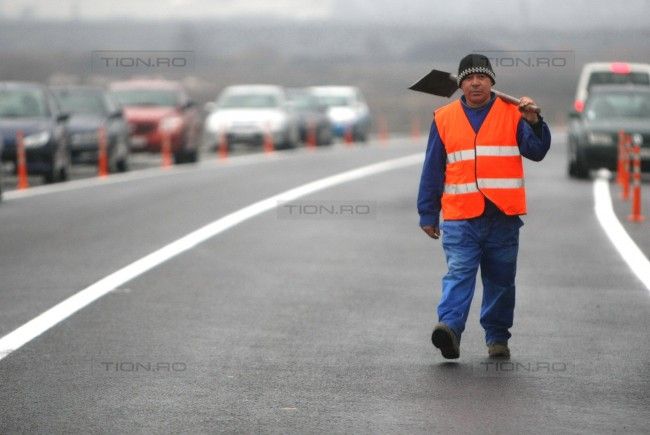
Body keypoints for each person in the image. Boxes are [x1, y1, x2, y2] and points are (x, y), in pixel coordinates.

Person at [417, 54, 551, 360]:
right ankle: (449, 329)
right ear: (460, 84)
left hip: (502, 217)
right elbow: (433, 168)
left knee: (500, 281)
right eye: (468, 78)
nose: (475, 83)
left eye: (481, 77)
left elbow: (536, 151)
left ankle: (497, 337)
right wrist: (428, 212)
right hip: (460, 217)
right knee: (459, 273)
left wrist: (534, 122)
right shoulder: (444, 118)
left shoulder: (513, 113)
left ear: (491, 82)